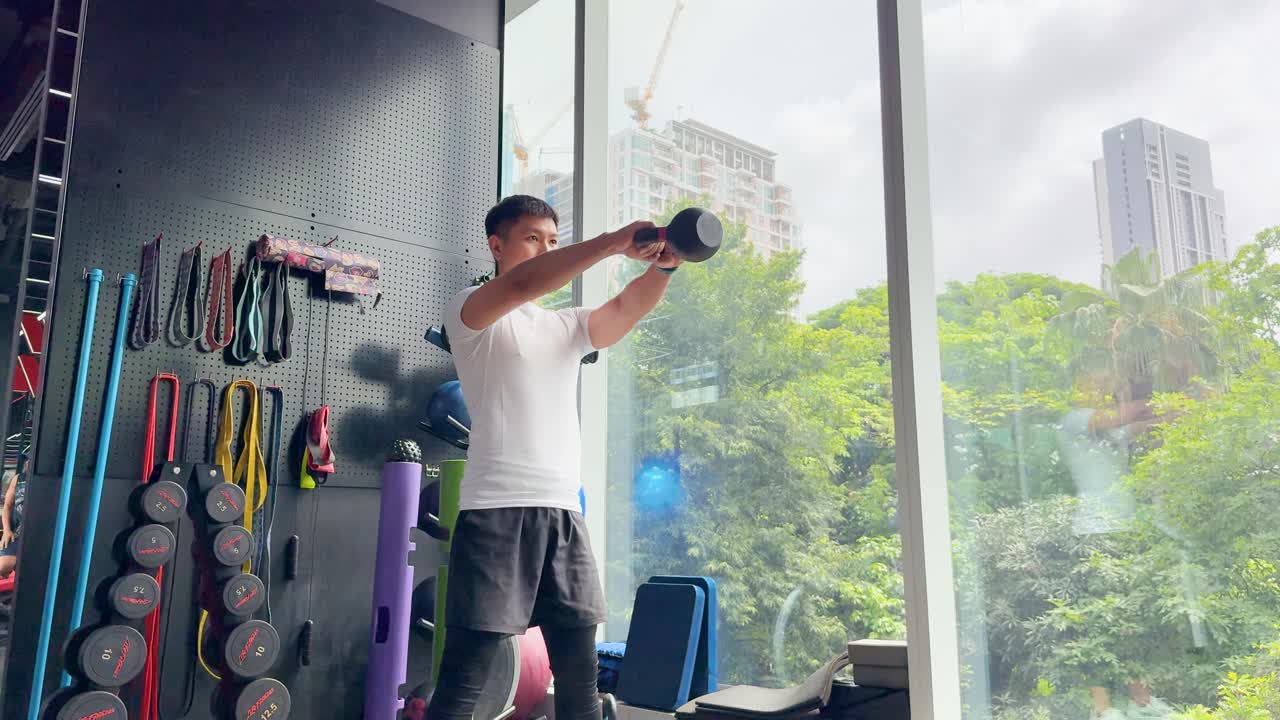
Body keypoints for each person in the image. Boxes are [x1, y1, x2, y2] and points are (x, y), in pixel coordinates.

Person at [429, 195, 676, 720]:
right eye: (532, 238)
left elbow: (627, 308)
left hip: (564, 512)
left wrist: (666, 263)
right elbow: (524, 284)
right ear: (497, 246)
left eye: (552, 240)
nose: (545, 248)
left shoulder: (568, 326)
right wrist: (613, 242)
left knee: (580, 675)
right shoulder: (472, 310)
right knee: (466, 677)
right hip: (496, 511)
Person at [0, 449, 29, 579]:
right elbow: (6, 507)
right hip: (17, 532)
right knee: (3, 566)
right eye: (27, 459)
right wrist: (6, 531)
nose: (27, 462)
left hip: (39, 533)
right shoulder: (18, 478)